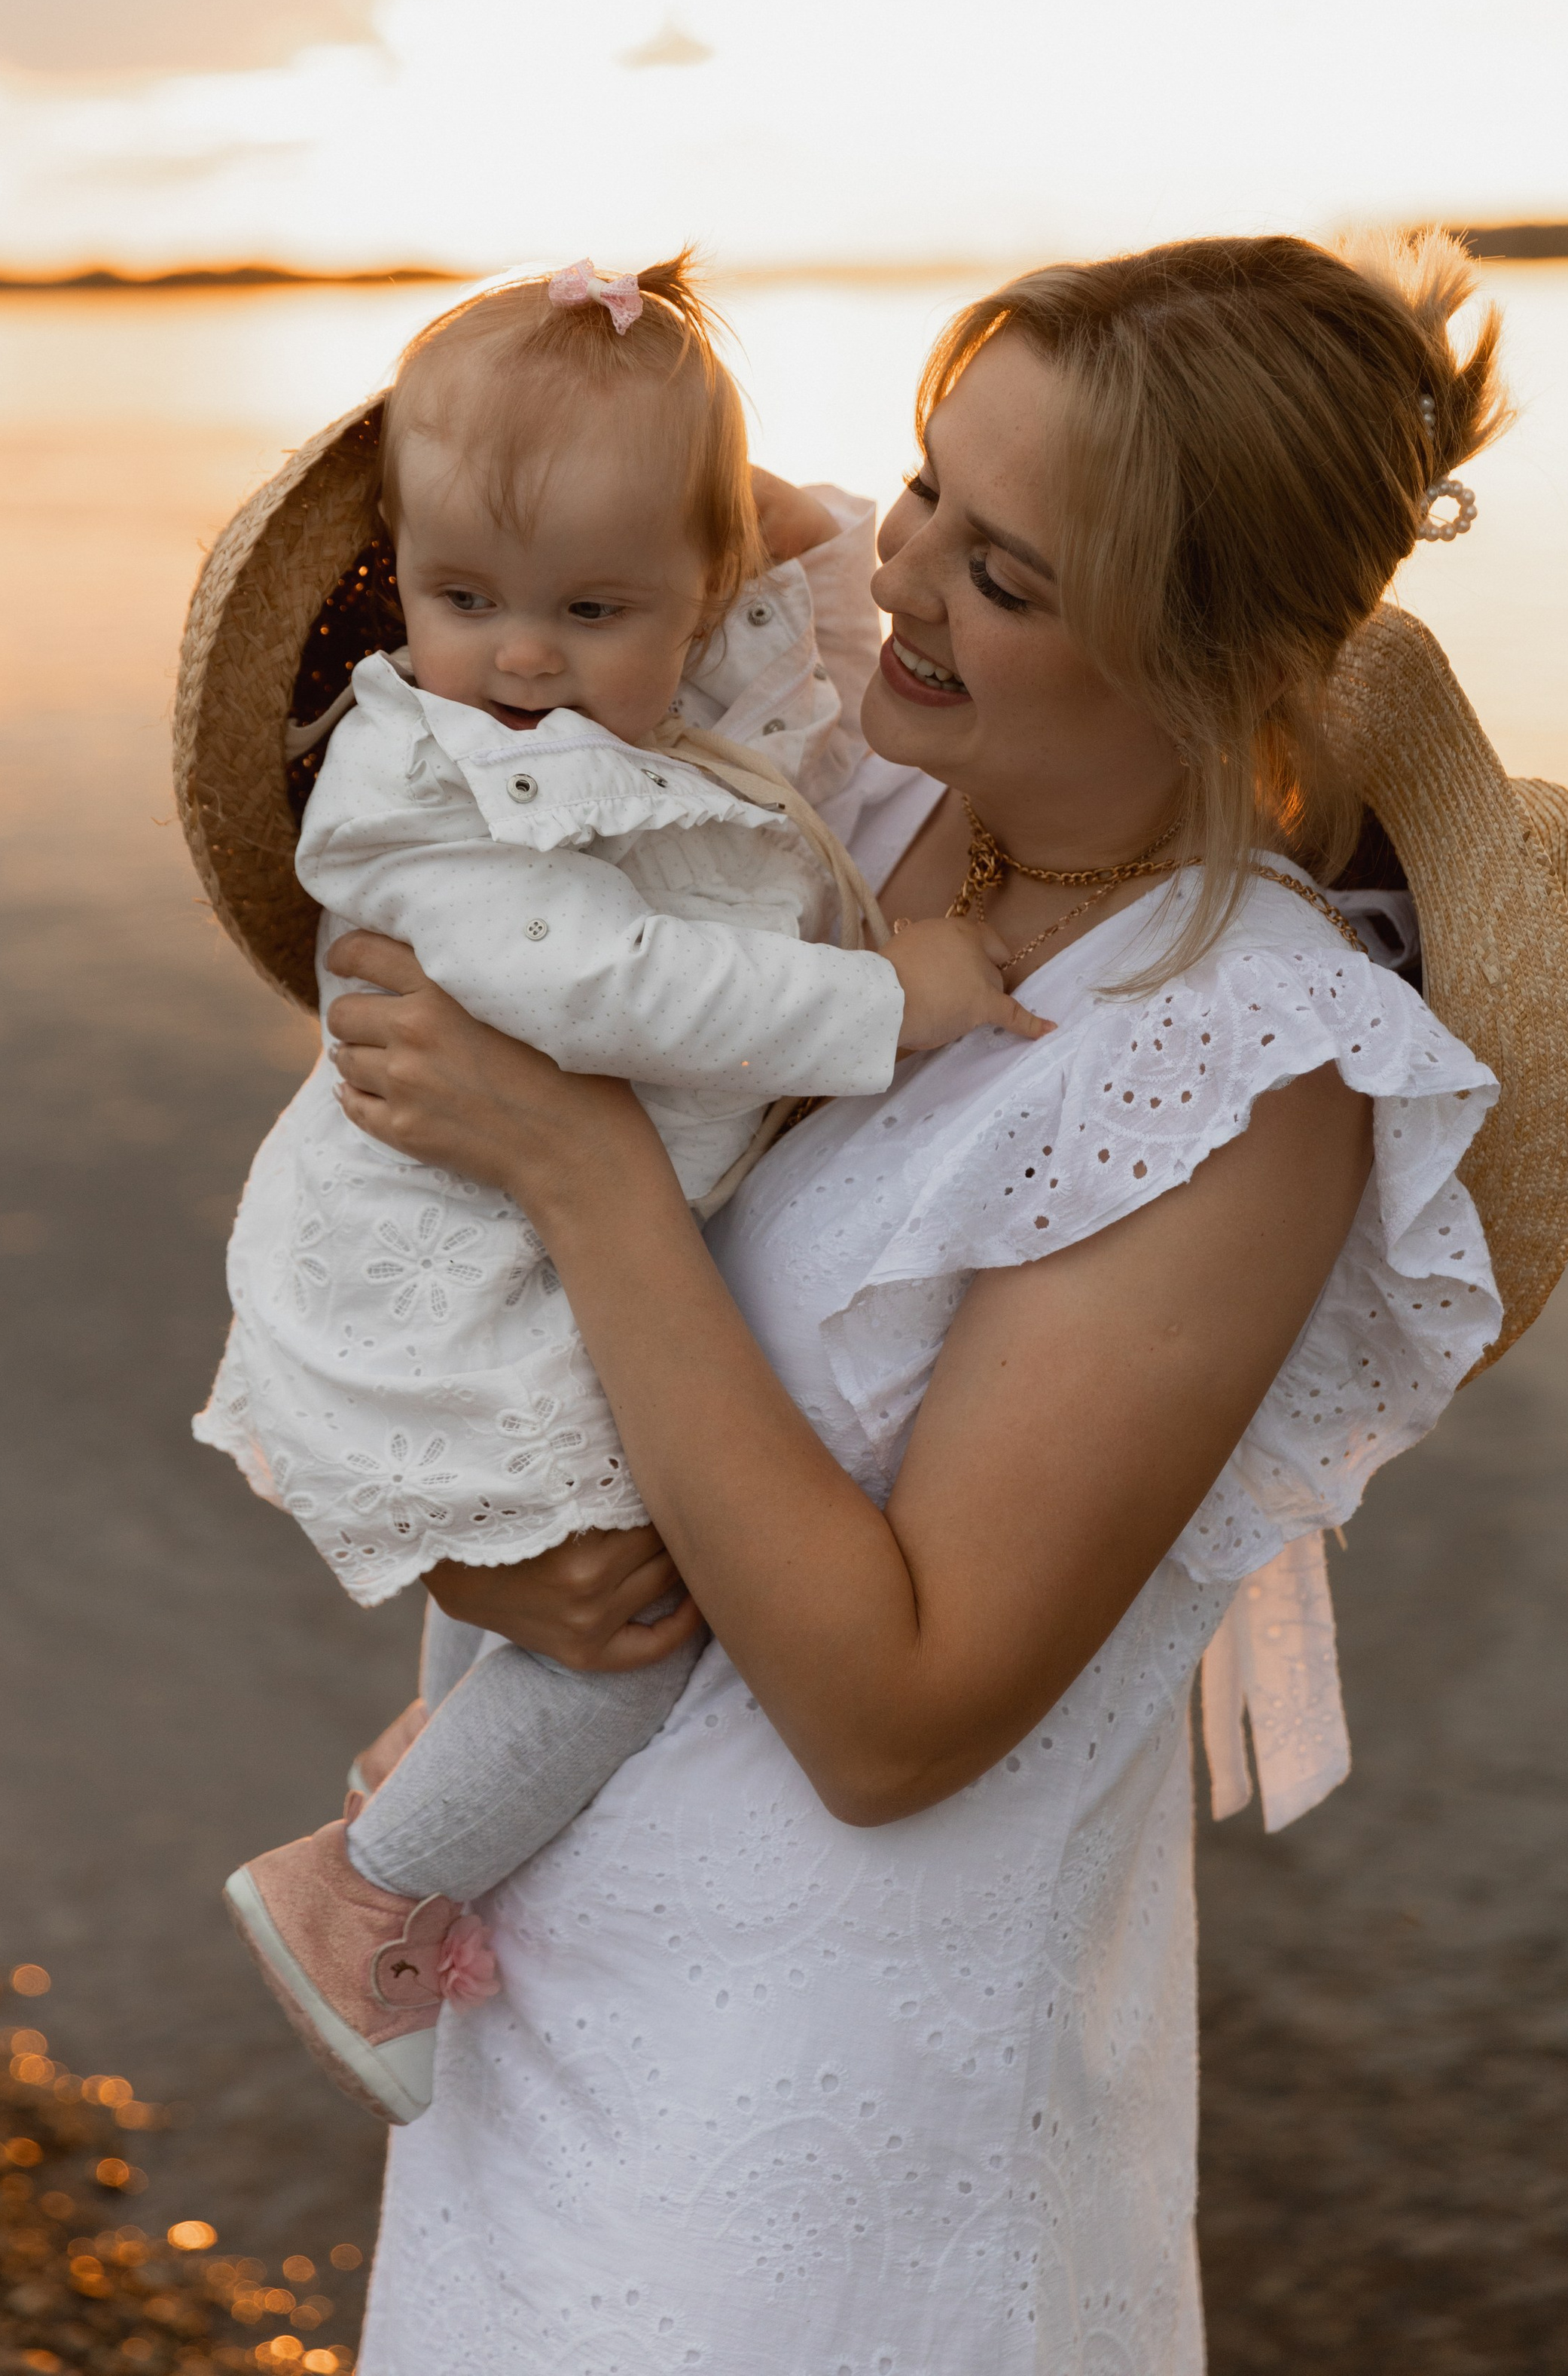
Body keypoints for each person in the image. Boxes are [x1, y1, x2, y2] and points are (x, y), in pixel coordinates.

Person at [273, 228, 1568, 2376]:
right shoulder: (854, 785)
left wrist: (577, 1160)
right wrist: (491, 1566)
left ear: (1209, 655)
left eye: (1006, 573)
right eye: (925, 484)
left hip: (819, 2129)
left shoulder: (1243, 1072)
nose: (899, 576)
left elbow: (898, 1720)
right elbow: (594, 523)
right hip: (530, 1967)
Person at [190, 254, 1034, 2123]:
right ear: (393, 579)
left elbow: (795, 630)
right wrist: (896, 999)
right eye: (460, 597)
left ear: (690, 594)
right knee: (639, 1628)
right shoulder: (428, 792)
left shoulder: (661, 715)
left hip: (521, 1259)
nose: (518, 656)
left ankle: (433, 1747)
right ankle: (367, 1895)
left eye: (592, 606)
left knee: (559, 1541)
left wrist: (776, 515)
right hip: (443, 1259)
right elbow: (611, 984)